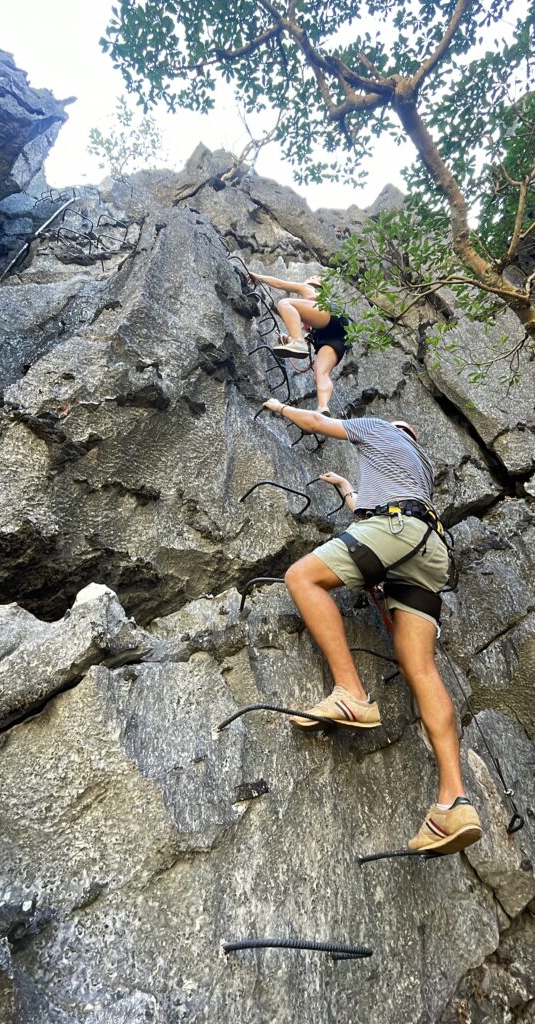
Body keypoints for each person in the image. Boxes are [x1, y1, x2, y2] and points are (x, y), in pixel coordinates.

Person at [261, 399, 483, 855]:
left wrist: (280, 407)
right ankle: (454, 801)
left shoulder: (375, 428)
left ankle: (351, 694)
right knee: (420, 669)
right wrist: (345, 486)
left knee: (302, 577)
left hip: (396, 530)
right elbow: (368, 510)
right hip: (429, 550)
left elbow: (319, 422)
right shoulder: (415, 466)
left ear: (391, 427)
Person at [249, 270, 350, 415]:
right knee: (321, 373)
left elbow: (279, 283)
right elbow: (309, 338)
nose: (311, 277)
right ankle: (323, 407)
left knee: (285, 303)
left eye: (313, 276)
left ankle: (297, 342)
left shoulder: (310, 289)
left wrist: (258, 276)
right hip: (337, 336)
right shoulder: (315, 313)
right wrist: (289, 339)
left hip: (328, 323)